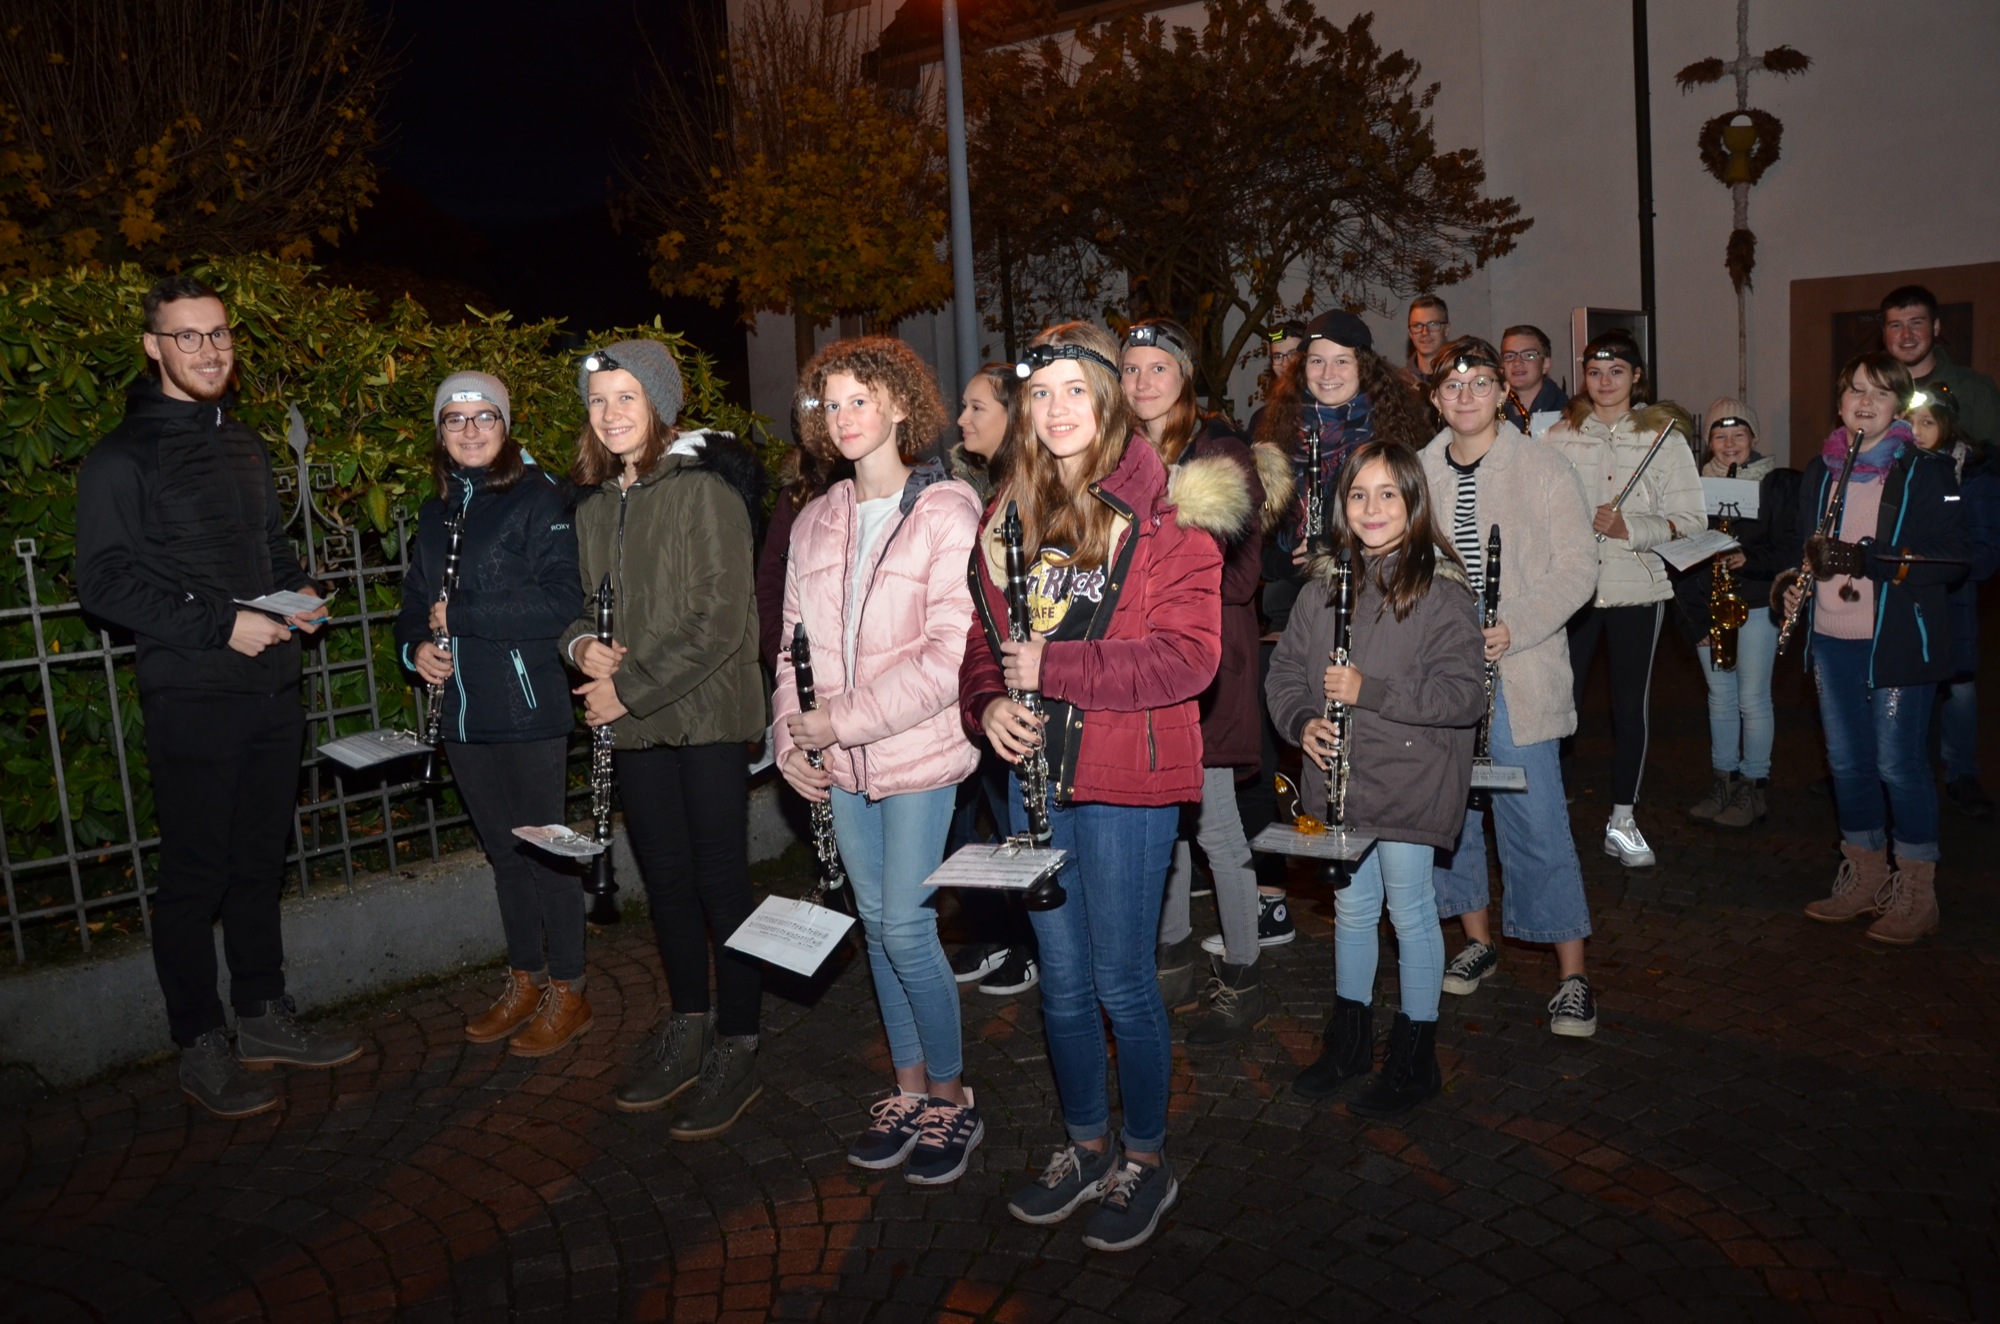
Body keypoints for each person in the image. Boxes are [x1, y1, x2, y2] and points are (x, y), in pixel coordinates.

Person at [961, 321, 1221, 1253]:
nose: (1057, 409)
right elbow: (984, 648)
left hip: (1126, 777)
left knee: (1120, 981)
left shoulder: (1170, 512)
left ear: (1110, 400)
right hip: (1038, 780)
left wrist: (1054, 667)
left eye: (1077, 389)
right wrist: (989, 705)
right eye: (1041, 393)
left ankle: (1146, 1158)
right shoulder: (1008, 516)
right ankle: (1083, 1144)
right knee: (1062, 987)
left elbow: (1188, 660)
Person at [75, 275, 358, 1119]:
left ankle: (265, 1017)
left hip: (272, 686)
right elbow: (103, 584)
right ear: (153, 347)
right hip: (193, 692)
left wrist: (296, 595)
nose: (207, 350)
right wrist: (219, 624)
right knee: (196, 876)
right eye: (187, 336)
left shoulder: (244, 443)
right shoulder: (120, 458)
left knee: (258, 863)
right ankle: (199, 1041)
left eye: (218, 334)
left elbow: (267, 549)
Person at [771, 337, 985, 1184]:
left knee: (904, 924)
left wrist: (838, 724)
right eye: (830, 403)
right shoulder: (817, 515)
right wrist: (791, 734)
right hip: (839, 760)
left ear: (901, 406)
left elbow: (948, 656)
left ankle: (953, 1098)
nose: (844, 416)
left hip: (917, 754)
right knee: (877, 924)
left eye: (861, 399)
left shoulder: (946, 510)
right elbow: (789, 649)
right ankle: (905, 1090)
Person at [560, 338, 768, 1138]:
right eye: (598, 402)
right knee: (668, 884)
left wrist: (627, 689)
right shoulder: (591, 507)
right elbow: (585, 610)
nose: (610, 415)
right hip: (636, 725)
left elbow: (719, 623)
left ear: (659, 406)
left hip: (705, 718)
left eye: (626, 398)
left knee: (720, 882)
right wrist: (580, 650)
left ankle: (739, 1041)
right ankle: (688, 1022)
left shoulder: (704, 493)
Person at [1267, 440, 1485, 1114]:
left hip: (1412, 779)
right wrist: (1302, 721)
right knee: (1354, 911)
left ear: (1414, 503)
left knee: (1411, 910)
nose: (1372, 507)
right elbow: (1283, 676)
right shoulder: (1323, 587)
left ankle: (1416, 1059)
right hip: (1342, 780)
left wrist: (1371, 691)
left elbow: (1464, 697)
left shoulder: (1440, 591)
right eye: (1359, 494)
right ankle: (1351, 1041)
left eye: (1388, 494)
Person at [396, 372, 588, 1055]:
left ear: (506, 427)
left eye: (485, 417)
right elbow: (414, 598)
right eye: (456, 419)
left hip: (527, 706)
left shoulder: (539, 499)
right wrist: (414, 648)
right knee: (505, 857)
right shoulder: (433, 510)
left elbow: (564, 601)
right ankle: (526, 978)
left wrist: (467, 617)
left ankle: (570, 987)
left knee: (547, 854)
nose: (471, 430)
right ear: (440, 432)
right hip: (463, 716)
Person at [1415, 339, 1602, 1038]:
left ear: (1503, 392)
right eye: (1451, 385)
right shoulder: (1419, 471)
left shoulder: (1542, 465)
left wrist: (1513, 626)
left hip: (1518, 671)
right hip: (1441, 676)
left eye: (1479, 382)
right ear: (1435, 398)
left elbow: (1577, 567)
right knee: (1449, 818)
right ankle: (1478, 940)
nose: (1464, 395)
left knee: (1538, 822)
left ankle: (1573, 975)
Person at [1119, 318, 1291, 1047]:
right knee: (1166, 819)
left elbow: (1243, 573)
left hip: (1207, 659)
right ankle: (1171, 959)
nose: (1142, 382)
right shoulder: (1117, 454)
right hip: (1142, 659)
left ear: (1184, 376)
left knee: (1216, 825)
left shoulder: (1217, 453)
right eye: (1130, 370)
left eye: (1158, 368)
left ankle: (1244, 973)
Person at [1782, 353, 1968, 944]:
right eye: (1856, 390)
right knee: (1846, 764)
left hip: (1895, 642)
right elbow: (1804, 551)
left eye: (1882, 393)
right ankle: (1864, 874)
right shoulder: (1821, 470)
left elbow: (1956, 558)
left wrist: (1873, 562)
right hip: (1833, 640)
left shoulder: (1925, 471)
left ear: (1899, 407)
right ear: (1840, 402)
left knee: (1898, 764)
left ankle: (1916, 889)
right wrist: (1793, 588)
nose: (1866, 400)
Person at [1545, 331, 1704, 867]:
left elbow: (1692, 522)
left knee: (1628, 709)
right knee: (1558, 706)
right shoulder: (1560, 435)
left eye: (1616, 371)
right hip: (1574, 591)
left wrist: (1628, 528)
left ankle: (1622, 818)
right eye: (1594, 371)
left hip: (1639, 590)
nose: (1604, 381)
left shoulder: (1665, 438)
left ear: (1637, 377)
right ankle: (1553, 811)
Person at [941, 362, 1041, 998]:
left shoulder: (1029, 492)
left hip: (1023, 685)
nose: (962, 419)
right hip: (984, 683)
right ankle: (1003, 933)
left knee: (1017, 825)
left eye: (978, 407)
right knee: (981, 824)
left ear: (1012, 416)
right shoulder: (977, 487)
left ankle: (1031, 946)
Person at [1670, 400, 1800, 830]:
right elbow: (1681, 558)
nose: (1729, 445)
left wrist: (1751, 559)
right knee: (1719, 698)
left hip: (1757, 603)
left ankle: (1754, 784)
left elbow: (1789, 546)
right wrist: (1694, 621)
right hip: (1710, 607)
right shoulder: (1693, 485)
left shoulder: (1777, 484)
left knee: (1752, 698)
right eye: (1719, 438)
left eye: (1738, 436)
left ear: (1754, 440)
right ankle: (1723, 779)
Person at [1905, 384, 1999, 819]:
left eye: (1927, 422)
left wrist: (1940, 563)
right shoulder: (1902, 468)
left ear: (1947, 425)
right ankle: (1911, 770)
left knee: (1959, 689)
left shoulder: (1973, 478)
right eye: (1910, 421)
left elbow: (1982, 552)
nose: (1917, 431)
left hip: (1954, 601)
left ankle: (1961, 772)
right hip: (1910, 598)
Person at [1879, 285, 2000, 445]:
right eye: (1896, 325)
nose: (1906, 334)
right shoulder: (1865, 391)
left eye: (1916, 323)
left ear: (1936, 327)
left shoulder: (1975, 389)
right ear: (1884, 333)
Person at [1498, 324, 1567, 435]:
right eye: (1509, 356)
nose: (1517, 363)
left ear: (1545, 364)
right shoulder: (1490, 412)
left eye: (1528, 355)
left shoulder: (1567, 414)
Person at [1405, 295, 1451, 380]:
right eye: (1417, 325)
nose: (1425, 332)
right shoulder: (1397, 384)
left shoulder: (1464, 378)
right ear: (1410, 333)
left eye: (1433, 324)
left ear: (1447, 330)